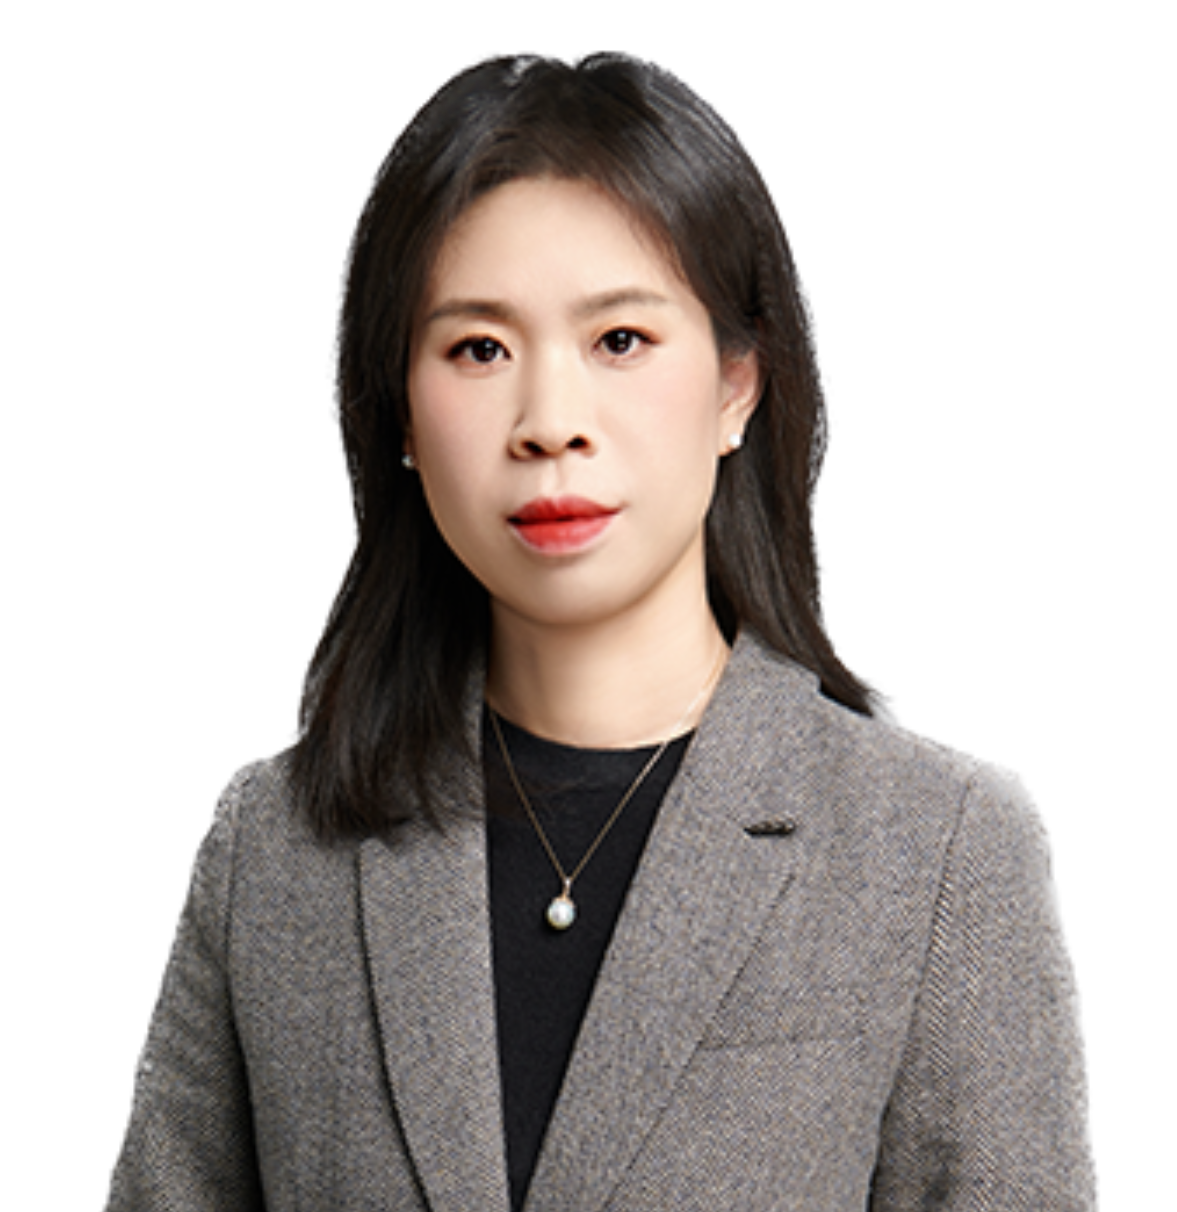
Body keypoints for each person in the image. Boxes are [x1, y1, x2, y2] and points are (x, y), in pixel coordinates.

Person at [104, 50, 1097, 1210]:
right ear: (401, 414)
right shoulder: (273, 849)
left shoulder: (936, 849)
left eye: (620, 339)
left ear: (738, 383)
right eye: (479, 349)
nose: (550, 422)